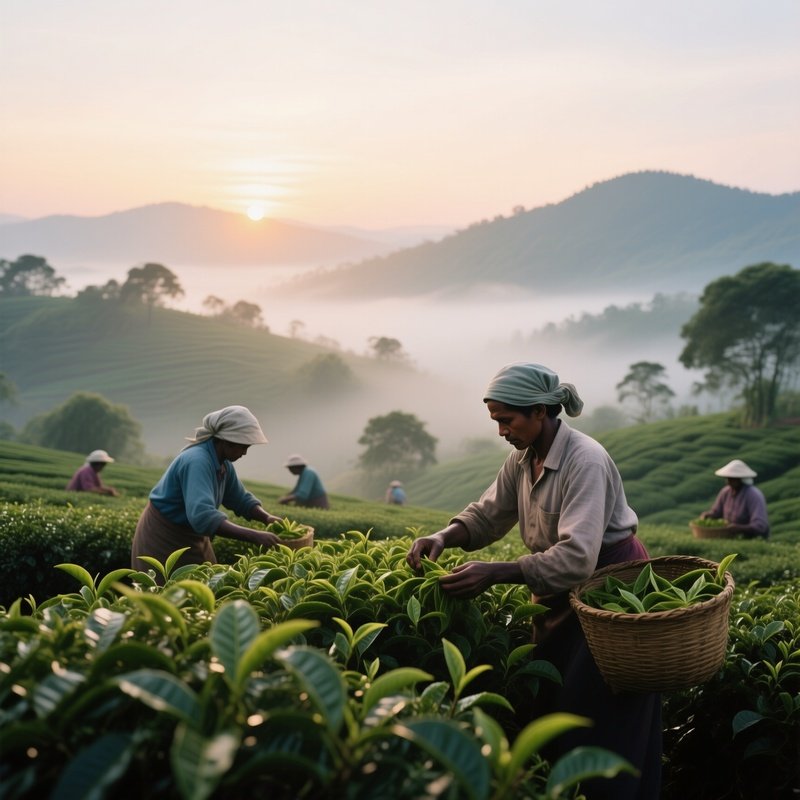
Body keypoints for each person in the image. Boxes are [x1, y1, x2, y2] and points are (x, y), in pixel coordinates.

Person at [406, 362, 661, 800]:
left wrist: (497, 572)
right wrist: (444, 536)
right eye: (496, 421)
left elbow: (579, 556)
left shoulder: (585, 460)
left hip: (610, 594)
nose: (502, 430)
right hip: (559, 595)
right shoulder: (522, 459)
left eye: (508, 420)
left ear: (541, 411)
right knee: (553, 702)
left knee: (600, 714)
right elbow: (488, 515)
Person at [131, 405, 285, 576]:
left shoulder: (223, 463)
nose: (244, 453)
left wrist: (266, 517)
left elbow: (240, 498)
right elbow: (202, 515)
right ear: (226, 441)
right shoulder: (197, 461)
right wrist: (254, 536)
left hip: (194, 536)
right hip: (164, 537)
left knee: (205, 588)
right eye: (242, 446)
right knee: (170, 592)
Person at [700, 458, 770, 539]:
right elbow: (717, 513)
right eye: (727, 478)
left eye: (732, 479)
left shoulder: (753, 495)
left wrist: (738, 528)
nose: (728, 482)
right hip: (731, 538)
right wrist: (708, 515)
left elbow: (760, 526)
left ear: (740, 479)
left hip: (752, 539)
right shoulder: (726, 492)